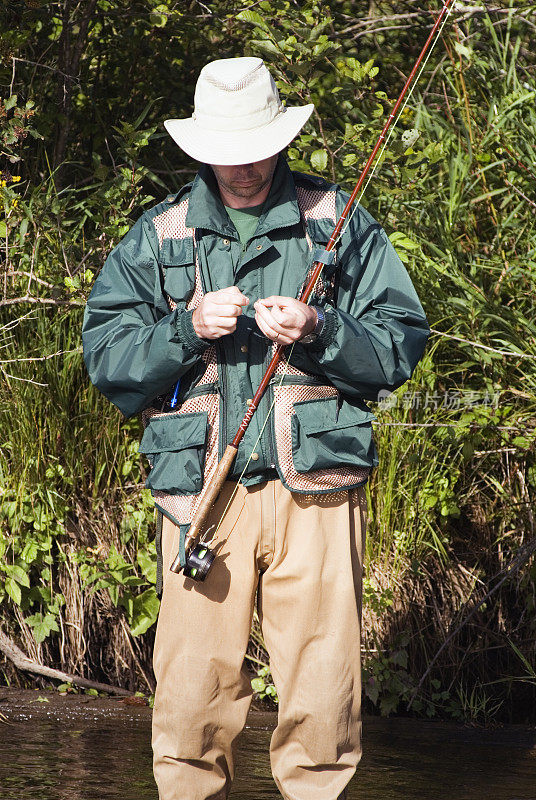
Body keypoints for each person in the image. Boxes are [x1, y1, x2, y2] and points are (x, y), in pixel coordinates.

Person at [82, 56, 430, 800]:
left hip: (320, 495)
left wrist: (320, 328)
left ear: (280, 139)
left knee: (324, 706)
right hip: (204, 496)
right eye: (225, 153)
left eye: (256, 149)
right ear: (202, 150)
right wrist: (183, 329)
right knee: (189, 709)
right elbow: (107, 359)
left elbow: (401, 341)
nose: (241, 168)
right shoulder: (160, 236)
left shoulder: (338, 222)